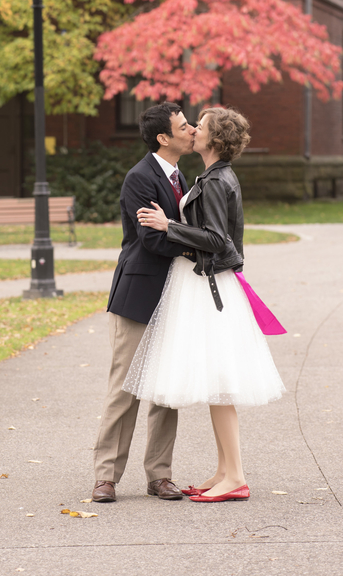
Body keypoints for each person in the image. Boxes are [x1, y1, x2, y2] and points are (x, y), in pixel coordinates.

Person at [124, 106, 286, 503]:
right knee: (218, 385)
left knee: (221, 385)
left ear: (213, 139)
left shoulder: (215, 180)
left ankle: (236, 477)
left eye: (201, 125)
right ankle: (225, 471)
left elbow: (217, 240)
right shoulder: (214, 175)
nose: (194, 129)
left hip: (211, 287)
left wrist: (169, 225)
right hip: (211, 284)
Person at [92, 102, 197, 503]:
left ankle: (160, 475)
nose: (192, 130)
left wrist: (180, 232)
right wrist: (194, 244)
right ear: (163, 138)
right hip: (138, 295)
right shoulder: (139, 177)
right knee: (125, 389)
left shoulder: (180, 176)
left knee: (166, 389)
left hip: (174, 295)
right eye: (183, 126)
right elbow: (151, 239)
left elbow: (172, 230)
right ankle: (106, 477)